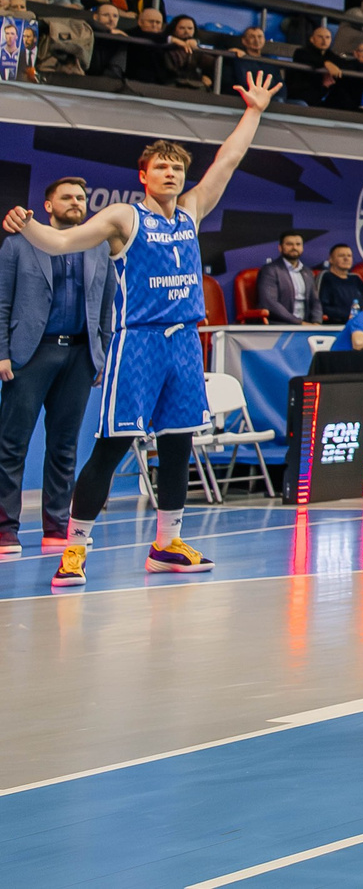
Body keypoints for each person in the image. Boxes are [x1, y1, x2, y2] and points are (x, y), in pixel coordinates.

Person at [6, 70, 282, 587]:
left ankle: (166, 544)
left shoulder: (192, 213)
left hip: (183, 345)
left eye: (177, 167)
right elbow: (62, 243)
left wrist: (255, 112)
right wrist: (29, 226)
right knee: (112, 447)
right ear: (144, 176)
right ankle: (76, 547)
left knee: (179, 444)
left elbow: (228, 160)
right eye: (162, 167)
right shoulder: (123, 219)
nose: (172, 174)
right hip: (139, 344)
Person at [0, 178, 113, 555]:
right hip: (31, 355)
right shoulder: (18, 243)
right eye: (67, 197)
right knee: (12, 445)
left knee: (64, 447)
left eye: (81, 197)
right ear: (48, 206)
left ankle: (56, 528)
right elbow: (1, 302)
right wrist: (2, 352)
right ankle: (5, 530)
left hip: (80, 356)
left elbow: (107, 307)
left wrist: (102, 354)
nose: (76, 202)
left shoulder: (100, 248)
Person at [255, 231, 317, 325]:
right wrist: (299, 322)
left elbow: (316, 301)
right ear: (280, 248)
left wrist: (316, 322)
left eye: (298, 244)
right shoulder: (270, 270)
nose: (294, 247)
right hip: (280, 325)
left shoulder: (307, 272)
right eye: (289, 244)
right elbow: (270, 303)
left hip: (307, 326)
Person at [315, 243, 363, 330]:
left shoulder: (356, 278)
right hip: (334, 326)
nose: (346, 258)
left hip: (359, 326)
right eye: (341, 255)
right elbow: (320, 306)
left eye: (349, 256)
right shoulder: (325, 277)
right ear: (331, 259)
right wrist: (348, 315)